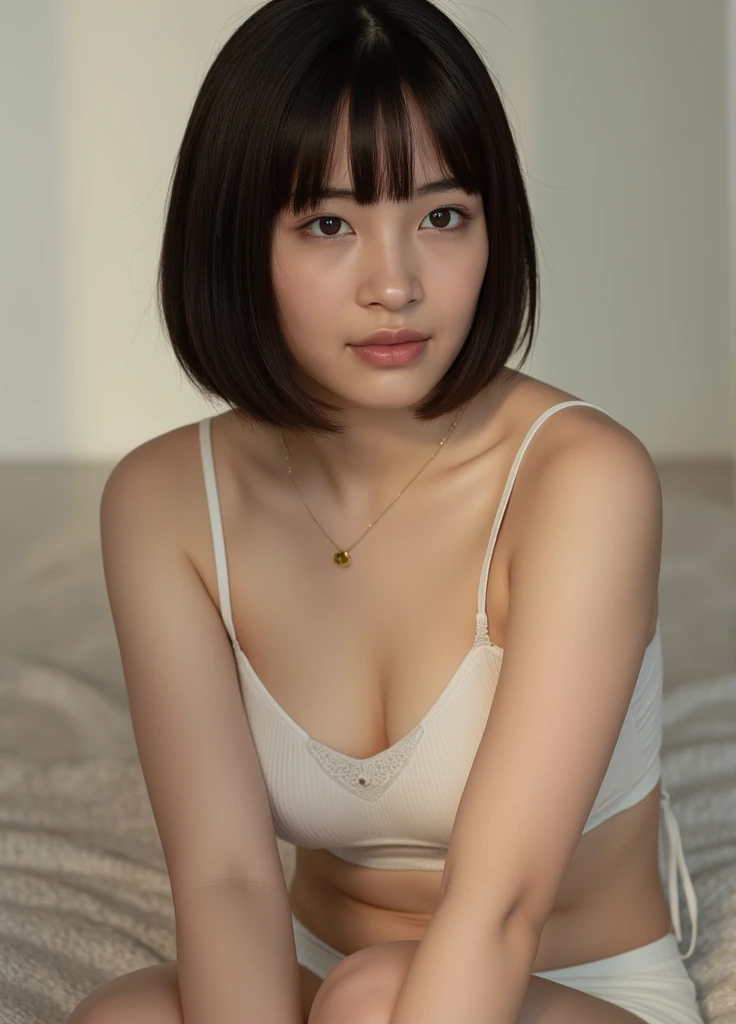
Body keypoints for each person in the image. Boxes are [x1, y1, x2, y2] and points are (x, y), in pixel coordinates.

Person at [68, 1, 704, 1022]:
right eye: (328, 223)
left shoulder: (582, 480)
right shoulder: (164, 502)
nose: (395, 283)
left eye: (442, 216)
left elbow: (497, 908)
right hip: (321, 971)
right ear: (239, 240)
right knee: (120, 1018)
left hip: (557, 983)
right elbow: (229, 881)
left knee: (373, 997)